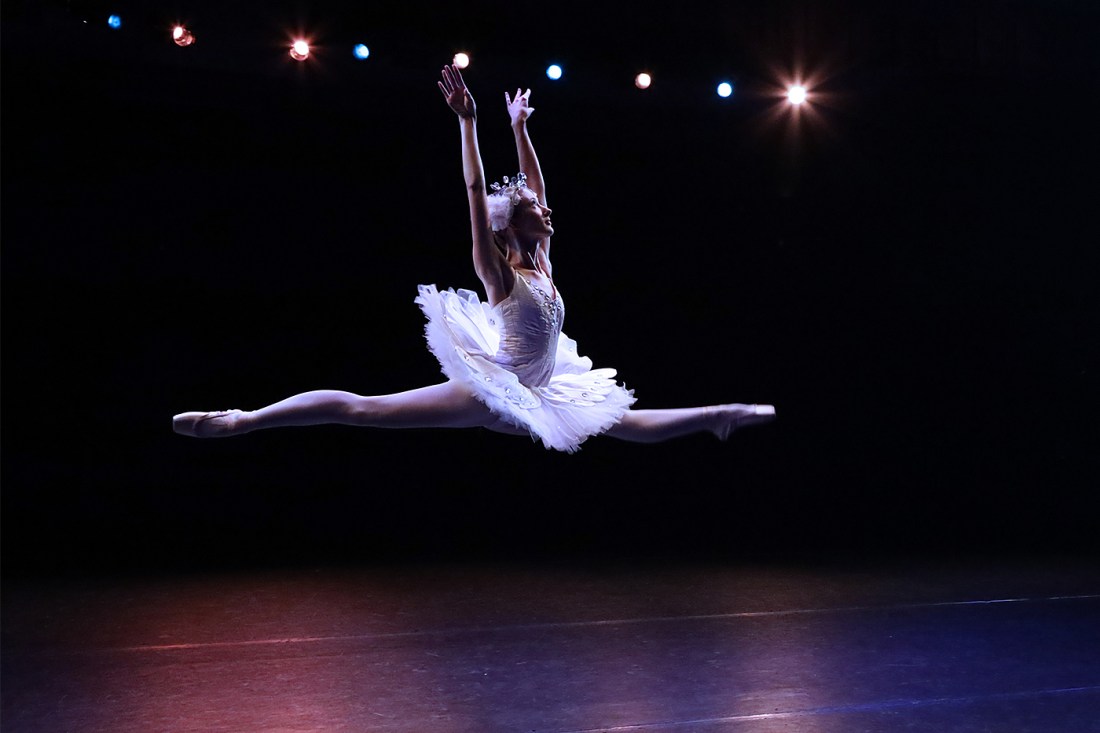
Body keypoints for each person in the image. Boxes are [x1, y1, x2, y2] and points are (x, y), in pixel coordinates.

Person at [173, 64, 775, 453]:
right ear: (512, 224)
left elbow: (534, 189)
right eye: (536, 212)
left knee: (629, 422)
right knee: (363, 409)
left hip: (542, 390)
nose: (548, 212)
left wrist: (520, 127)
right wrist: (470, 123)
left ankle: (717, 413)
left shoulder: (542, 264)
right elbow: (475, 189)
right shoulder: (500, 274)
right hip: (495, 390)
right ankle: (243, 419)